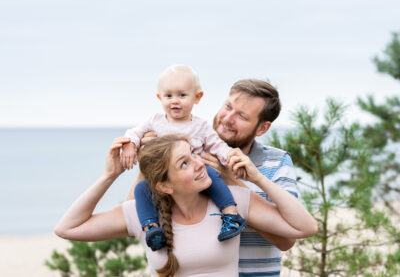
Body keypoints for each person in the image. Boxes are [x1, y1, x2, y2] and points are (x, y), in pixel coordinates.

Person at [55, 135, 318, 277]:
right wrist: (109, 176)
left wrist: (258, 179)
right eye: (184, 163)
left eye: (193, 153)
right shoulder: (145, 216)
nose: (199, 162)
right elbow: (68, 228)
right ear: (165, 186)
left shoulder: (233, 202)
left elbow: (305, 227)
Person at [132, 79, 299, 276]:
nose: (227, 118)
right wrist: (150, 162)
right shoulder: (190, 156)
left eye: (242, 116)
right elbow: (132, 218)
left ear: (262, 128)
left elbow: (286, 240)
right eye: (228, 107)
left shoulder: (277, 163)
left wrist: (231, 183)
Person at [120, 65, 246, 251]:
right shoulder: (154, 120)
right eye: (168, 96)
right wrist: (130, 144)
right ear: (159, 97)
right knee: (141, 189)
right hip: (164, 176)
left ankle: (231, 215)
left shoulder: (200, 126)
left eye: (182, 95)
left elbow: (218, 146)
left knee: (212, 175)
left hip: (193, 174)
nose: (175, 101)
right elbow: (135, 132)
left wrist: (229, 158)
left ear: (197, 97)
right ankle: (151, 228)